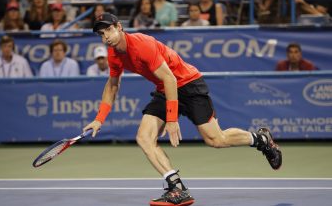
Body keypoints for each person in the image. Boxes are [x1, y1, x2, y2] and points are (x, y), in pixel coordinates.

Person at [83, 13, 283, 206]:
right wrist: (99, 119)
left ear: (119, 27)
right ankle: (176, 188)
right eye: (101, 34)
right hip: (165, 88)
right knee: (144, 137)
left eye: (108, 30)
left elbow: (170, 77)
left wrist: (171, 119)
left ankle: (262, 140)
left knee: (216, 140)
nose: (106, 37)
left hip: (188, 83)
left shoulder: (142, 44)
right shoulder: (113, 54)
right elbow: (112, 86)